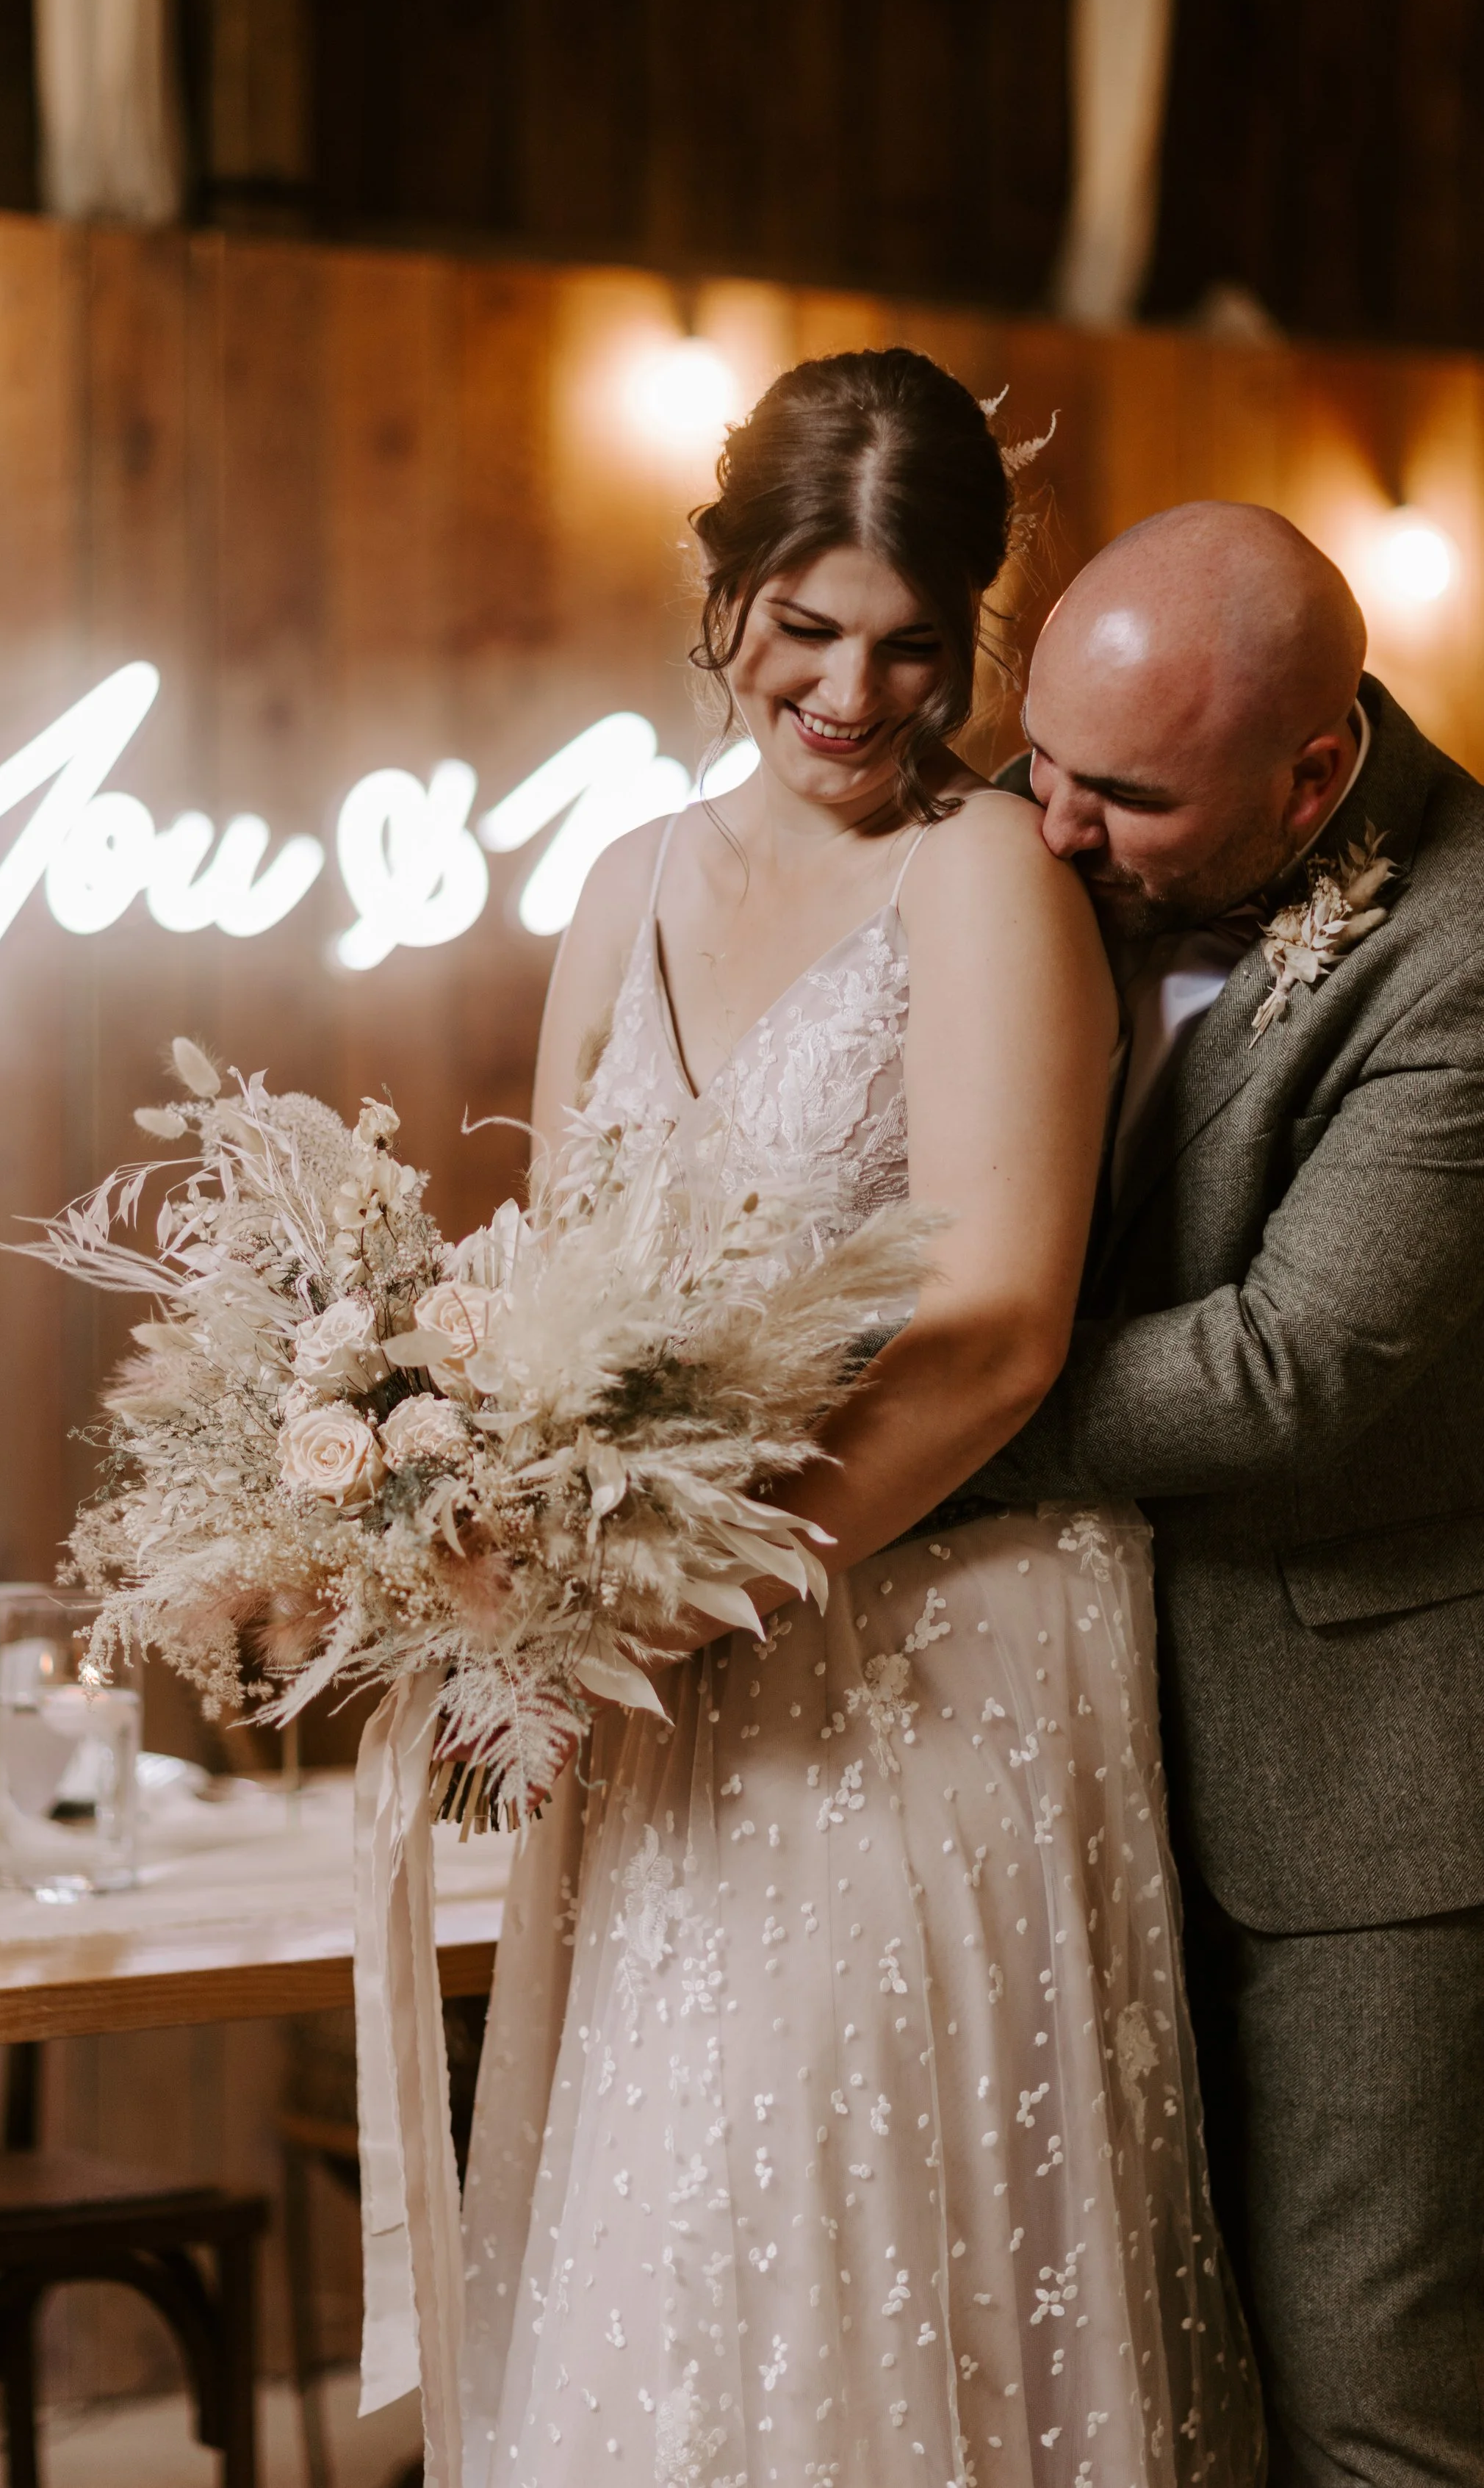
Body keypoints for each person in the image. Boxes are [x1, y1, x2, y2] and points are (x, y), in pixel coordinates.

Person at [458, 353, 1261, 2487]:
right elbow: (551, 1299)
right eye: (801, 628)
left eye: (912, 648)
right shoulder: (619, 883)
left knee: (833, 2255)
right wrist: (501, 1562)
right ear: (717, 586)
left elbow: (997, 1332)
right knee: (668, 2270)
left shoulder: (982, 875)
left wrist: (675, 1594)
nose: (848, 694)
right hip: (671, 1696)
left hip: (912, 1671)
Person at [975, 500, 1484, 2487]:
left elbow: (1295, 1371)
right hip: (1070, 1756)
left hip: (1368, 1803)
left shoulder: (1457, 957)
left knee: (1370, 2397)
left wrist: (915, 1418)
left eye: (1120, 795)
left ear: (1312, 768)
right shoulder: (1052, 856)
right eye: (1036, 765)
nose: (1054, 833)